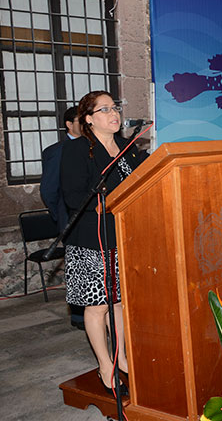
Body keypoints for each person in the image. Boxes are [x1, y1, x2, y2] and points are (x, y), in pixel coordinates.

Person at [60, 91, 146, 396]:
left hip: (123, 235)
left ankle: (122, 358)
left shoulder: (128, 149)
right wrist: (100, 203)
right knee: (97, 306)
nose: (114, 114)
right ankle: (105, 366)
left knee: (119, 302)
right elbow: (72, 195)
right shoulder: (78, 150)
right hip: (91, 238)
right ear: (89, 118)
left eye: (115, 108)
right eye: (105, 109)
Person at [40, 107, 85, 330]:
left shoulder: (92, 147)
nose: (86, 125)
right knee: (77, 268)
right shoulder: (58, 151)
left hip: (91, 219)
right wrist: (62, 218)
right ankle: (79, 316)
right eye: (81, 121)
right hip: (71, 220)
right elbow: (48, 190)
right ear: (69, 124)